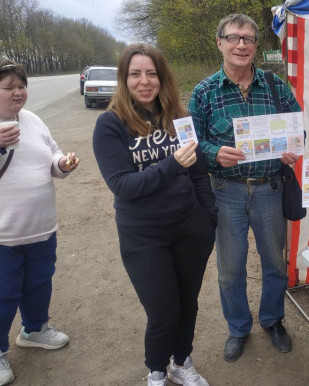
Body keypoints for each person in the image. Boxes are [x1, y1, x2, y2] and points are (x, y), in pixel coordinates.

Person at [92, 44, 217, 386]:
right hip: (143, 235)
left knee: (188, 303)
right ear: (124, 79)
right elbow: (123, 185)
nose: (144, 81)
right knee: (163, 312)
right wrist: (171, 164)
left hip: (190, 228)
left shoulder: (179, 118)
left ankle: (181, 361)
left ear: (162, 78)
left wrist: (209, 219)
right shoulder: (110, 125)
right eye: (135, 74)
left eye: (151, 74)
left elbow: (198, 171)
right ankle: (158, 370)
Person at [188, 14, 301, 363]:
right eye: (234, 38)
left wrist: (292, 149)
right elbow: (191, 143)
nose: (241, 45)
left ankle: (273, 320)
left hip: (270, 188)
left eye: (248, 39)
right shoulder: (204, 92)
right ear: (219, 43)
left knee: (275, 264)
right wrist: (213, 153)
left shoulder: (275, 86)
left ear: (255, 45)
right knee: (230, 270)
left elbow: (297, 129)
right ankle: (238, 328)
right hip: (226, 191)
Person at [0, 59, 79, 386]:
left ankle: (34, 329)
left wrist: (62, 163)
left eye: (22, 86)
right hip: (4, 235)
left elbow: (52, 155)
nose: (18, 92)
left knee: (39, 283)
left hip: (41, 228)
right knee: (3, 294)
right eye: (9, 87)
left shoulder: (32, 120)